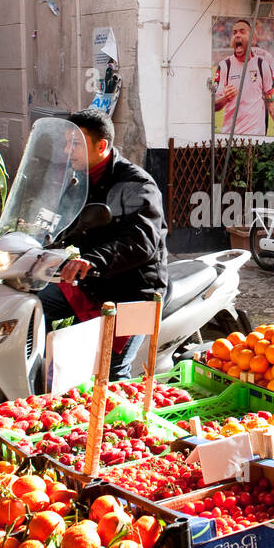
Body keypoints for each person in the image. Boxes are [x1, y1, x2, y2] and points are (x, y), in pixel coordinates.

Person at [39, 108, 169, 379]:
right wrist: (34, 238)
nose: (67, 150)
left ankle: (123, 420)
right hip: (93, 282)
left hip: (136, 291)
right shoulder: (80, 180)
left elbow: (141, 240)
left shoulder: (136, 183)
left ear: (102, 145)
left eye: (75, 143)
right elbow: (63, 223)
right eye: (65, 142)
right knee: (36, 307)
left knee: (112, 368)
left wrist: (93, 259)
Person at [213, 19, 274, 138]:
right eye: (234, 33)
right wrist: (225, 98)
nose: (237, 35)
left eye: (242, 32)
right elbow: (214, 106)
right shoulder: (225, 66)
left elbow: (271, 99)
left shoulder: (262, 65)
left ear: (251, 38)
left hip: (256, 135)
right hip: (230, 137)